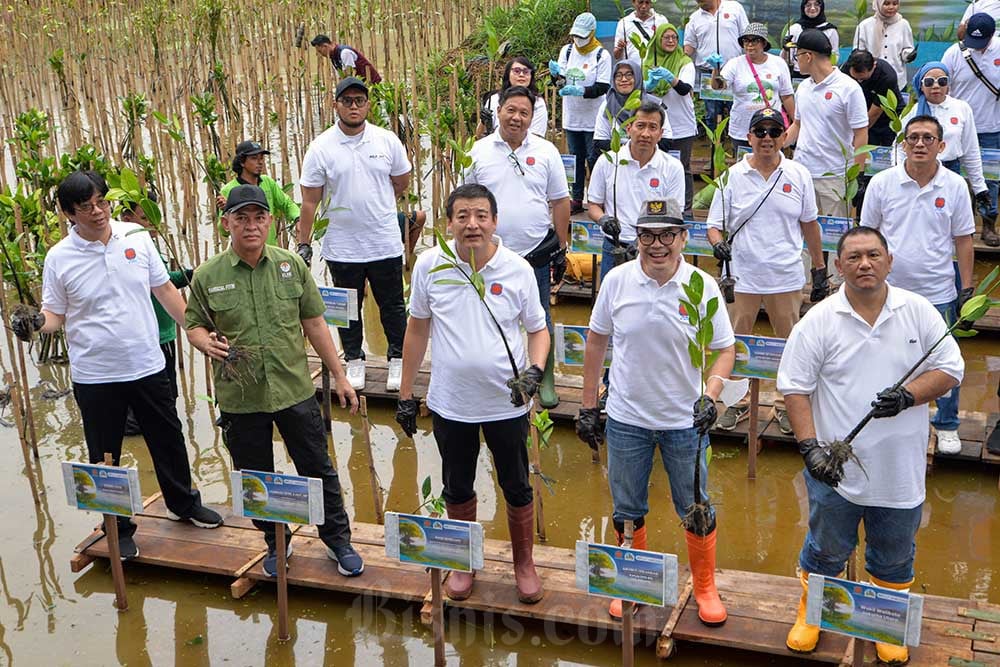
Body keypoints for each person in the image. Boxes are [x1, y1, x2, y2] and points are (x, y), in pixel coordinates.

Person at [777, 226, 964, 665]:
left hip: (900, 470)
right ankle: (812, 612)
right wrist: (810, 449)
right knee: (825, 548)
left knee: (895, 555)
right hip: (834, 471)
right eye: (855, 257)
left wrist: (909, 395)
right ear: (838, 266)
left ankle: (886, 622)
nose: (865, 264)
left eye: (874, 255)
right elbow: (795, 388)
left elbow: (952, 368)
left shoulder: (918, 311)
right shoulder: (818, 320)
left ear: (889, 262)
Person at [13, 171, 223, 561]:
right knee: (104, 453)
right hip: (95, 374)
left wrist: (195, 331)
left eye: (102, 202)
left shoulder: (136, 237)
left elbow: (164, 291)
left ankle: (184, 504)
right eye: (85, 207)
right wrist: (37, 324)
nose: (97, 212)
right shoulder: (59, 258)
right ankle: (118, 525)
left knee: (169, 437)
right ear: (67, 214)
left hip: (146, 362)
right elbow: (55, 314)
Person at [187, 184, 364, 579]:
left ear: (269, 221)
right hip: (240, 396)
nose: (251, 226)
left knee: (318, 467)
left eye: (258, 217)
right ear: (226, 223)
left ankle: (337, 539)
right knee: (256, 476)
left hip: (294, 389)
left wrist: (340, 376)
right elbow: (194, 324)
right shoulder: (207, 275)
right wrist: (205, 343)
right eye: (241, 218)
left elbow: (315, 323)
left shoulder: (291, 265)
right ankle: (275, 541)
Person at [576, 198, 736, 622]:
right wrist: (589, 404)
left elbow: (725, 350)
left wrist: (712, 394)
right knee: (627, 506)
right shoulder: (617, 281)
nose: (657, 244)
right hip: (628, 417)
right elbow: (595, 342)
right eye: (647, 235)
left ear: (684, 238)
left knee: (696, 506)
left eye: (667, 234)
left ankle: (704, 586)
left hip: (686, 421)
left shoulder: (702, 286)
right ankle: (633, 580)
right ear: (637, 239)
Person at [394, 183, 550, 605]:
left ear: (495, 222)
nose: (472, 224)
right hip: (452, 402)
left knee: (516, 484)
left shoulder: (517, 269)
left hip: (508, 402)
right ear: (449, 223)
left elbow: (538, 329)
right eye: (462, 216)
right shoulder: (431, 265)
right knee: (457, 485)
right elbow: (417, 329)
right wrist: (406, 392)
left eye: (481, 215)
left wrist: (534, 372)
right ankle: (464, 563)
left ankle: (524, 564)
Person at [707, 108, 828, 435]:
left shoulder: (799, 174)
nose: (767, 138)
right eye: (760, 132)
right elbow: (714, 226)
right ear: (748, 138)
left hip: (786, 276)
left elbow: (809, 224)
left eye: (775, 132)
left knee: (790, 345)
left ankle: (786, 406)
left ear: (784, 138)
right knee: (734, 342)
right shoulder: (731, 177)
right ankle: (737, 404)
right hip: (742, 276)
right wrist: (718, 245)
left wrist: (819, 268)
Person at [860, 115, 975, 455]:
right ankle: (887, 414)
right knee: (886, 356)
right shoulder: (882, 183)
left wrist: (966, 290)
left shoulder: (954, 186)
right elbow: (867, 235)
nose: (920, 144)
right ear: (903, 144)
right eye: (913, 138)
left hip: (938, 290)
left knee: (944, 360)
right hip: (889, 291)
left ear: (942, 146)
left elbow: (964, 240)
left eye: (928, 138)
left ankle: (947, 422)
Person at [296, 77, 411, 392]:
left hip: (384, 241)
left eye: (359, 100)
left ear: (368, 104)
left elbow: (401, 181)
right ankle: (354, 360)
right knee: (346, 308)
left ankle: (398, 360)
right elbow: (309, 200)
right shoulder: (321, 148)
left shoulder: (386, 141)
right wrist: (303, 244)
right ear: (336, 105)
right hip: (341, 247)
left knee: (392, 305)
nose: (354, 106)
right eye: (347, 101)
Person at [463, 85, 570, 408]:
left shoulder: (547, 151)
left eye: (524, 112)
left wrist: (561, 247)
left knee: (540, 317)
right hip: (488, 254)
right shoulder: (477, 151)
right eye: (511, 110)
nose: (517, 118)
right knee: (489, 315)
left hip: (535, 250)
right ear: (498, 111)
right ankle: (494, 376)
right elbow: (462, 201)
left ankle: (544, 375)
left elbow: (560, 201)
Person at [588, 101, 685, 281]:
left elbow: (675, 214)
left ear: (661, 133)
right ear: (628, 128)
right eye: (640, 126)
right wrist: (603, 219)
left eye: (652, 127)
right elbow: (594, 204)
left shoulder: (672, 167)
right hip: (614, 246)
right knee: (611, 304)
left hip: (654, 251)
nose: (645, 134)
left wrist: (644, 240)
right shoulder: (608, 161)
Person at [898, 62, 994, 244]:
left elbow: (970, 150)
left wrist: (980, 187)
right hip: (919, 175)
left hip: (951, 170)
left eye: (942, 81)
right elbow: (899, 148)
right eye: (929, 82)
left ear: (949, 84)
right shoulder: (911, 114)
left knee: (951, 225)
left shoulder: (961, 108)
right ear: (920, 85)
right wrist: (901, 178)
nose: (936, 86)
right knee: (922, 225)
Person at [120, 194, 191, 437]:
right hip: (152, 337)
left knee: (168, 394)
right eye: (145, 218)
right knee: (155, 399)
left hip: (164, 332)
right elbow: (163, 283)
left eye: (154, 217)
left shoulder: (149, 247)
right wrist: (191, 274)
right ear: (126, 219)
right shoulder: (128, 250)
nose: (152, 223)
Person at [785, 29, 869, 218]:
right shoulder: (804, 88)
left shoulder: (848, 88)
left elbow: (861, 134)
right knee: (804, 238)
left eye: (797, 55)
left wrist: (858, 176)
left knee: (835, 239)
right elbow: (797, 125)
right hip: (802, 173)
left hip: (835, 177)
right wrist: (775, 144)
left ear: (808, 56)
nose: (795, 61)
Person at [942, 13, 1000, 235]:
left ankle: (988, 224)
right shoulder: (954, 53)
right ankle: (957, 226)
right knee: (954, 177)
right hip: (958, 127)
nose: (976, 48)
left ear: (992, 35)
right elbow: (942, 85)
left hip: (991, 127)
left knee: (990, 178)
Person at [553, 12, 612, 213]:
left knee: (593, 158)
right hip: (572, 116)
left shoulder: (601, 55)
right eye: (576, 35)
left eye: (583, 35)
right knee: (575, 158)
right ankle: (576, 198)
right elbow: (560, 80)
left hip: (594, 117)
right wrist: (556, 77)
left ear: (592, 33)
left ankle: (597, 199)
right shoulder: (567, 51)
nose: (578, 39)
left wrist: (582, 91)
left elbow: (603, 87)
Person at [713, 23, 794, 151]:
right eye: (746, 41)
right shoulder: (735, 64)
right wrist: (715, 70)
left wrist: (796, 122)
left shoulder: (778, 63)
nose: (750, 45)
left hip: (772, 129)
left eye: (754, 41)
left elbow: (787, 95)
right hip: (742, 130)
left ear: (763, 43)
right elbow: (718, 86)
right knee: (745, 168)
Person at [644, 23, 698, 215]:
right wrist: (648, 85)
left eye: (674, 37)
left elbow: (684, 89)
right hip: (657, 125)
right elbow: (642, 91)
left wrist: (670, 78)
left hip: (681, 123)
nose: (670, 41)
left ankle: (686, 209)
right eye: (666, 37)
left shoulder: (685, 62)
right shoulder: (648, 62)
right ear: (657, 40)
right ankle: (660, 207)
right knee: (657, 166)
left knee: (682, 167)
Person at [682, 0, 749, 134]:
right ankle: (714, 143)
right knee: (711, 113)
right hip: (707, 72)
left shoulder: (734, 8)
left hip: (733, 70)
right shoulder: (694, 18)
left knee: (735, 108)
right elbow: (689, 46)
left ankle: (735, 140)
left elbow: (746, 36)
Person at [216, 140, 300, 246]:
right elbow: (223, 231)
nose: (260, 162)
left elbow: (287, 204)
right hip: (245, 252)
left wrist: (298, 218)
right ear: (242, 162)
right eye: (254, 158)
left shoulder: (268, 182)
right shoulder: (228, 190)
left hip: (270, 251)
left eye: (261, 158)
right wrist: (227, 211)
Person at [592, 59, 668, 164]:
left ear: (637, 77)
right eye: (618, 75)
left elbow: (666, 140)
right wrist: (628, 153)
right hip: (617, 163)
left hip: (650, 162)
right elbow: (600, 141)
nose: (623, 79)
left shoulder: (654, 105)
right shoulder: (607, 105)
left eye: (629, 74)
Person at [842, 49, 903, 148]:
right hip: (860, 112)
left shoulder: (886, 76)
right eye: (855, 78)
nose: (859, 81)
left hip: (884, 117)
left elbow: (874, 114)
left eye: (862, 79)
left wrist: (857, 136)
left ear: (873, 66)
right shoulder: (845, 70)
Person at [853, 0, 915, 89]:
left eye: (895, 3)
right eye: (886, 4)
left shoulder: (903, 24)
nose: (891, 7)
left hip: (897, 80)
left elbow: (907, 48)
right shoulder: (864, 26)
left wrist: (909, 55)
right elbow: (858, 53)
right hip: (871, 79)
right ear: (878, 4)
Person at [479, 58, 549, 138]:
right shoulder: (494, 99)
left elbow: (537, 136)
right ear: (508, 74)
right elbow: (479, 136)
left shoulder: (538, 103)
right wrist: (484, 122)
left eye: (526, 72)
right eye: (517, 71)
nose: (521, 75)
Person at [784, 0, 840, 80]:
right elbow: (786, 58)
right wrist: (785, 49)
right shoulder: (794, 29)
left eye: (816, 4)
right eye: (808, 5)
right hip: (799, 75)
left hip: (822, 75)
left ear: (822, 7)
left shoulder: (830, 30)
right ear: (803, 7)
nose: (812, 8)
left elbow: (835, 55)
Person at [310, 34, 382, 83]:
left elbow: (350, 75)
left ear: (325, 46)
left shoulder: (344, 53)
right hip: (360, 86)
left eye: (320, 51)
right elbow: (341, 77)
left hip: (371, 84)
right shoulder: (333, 57)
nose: (320, 54)